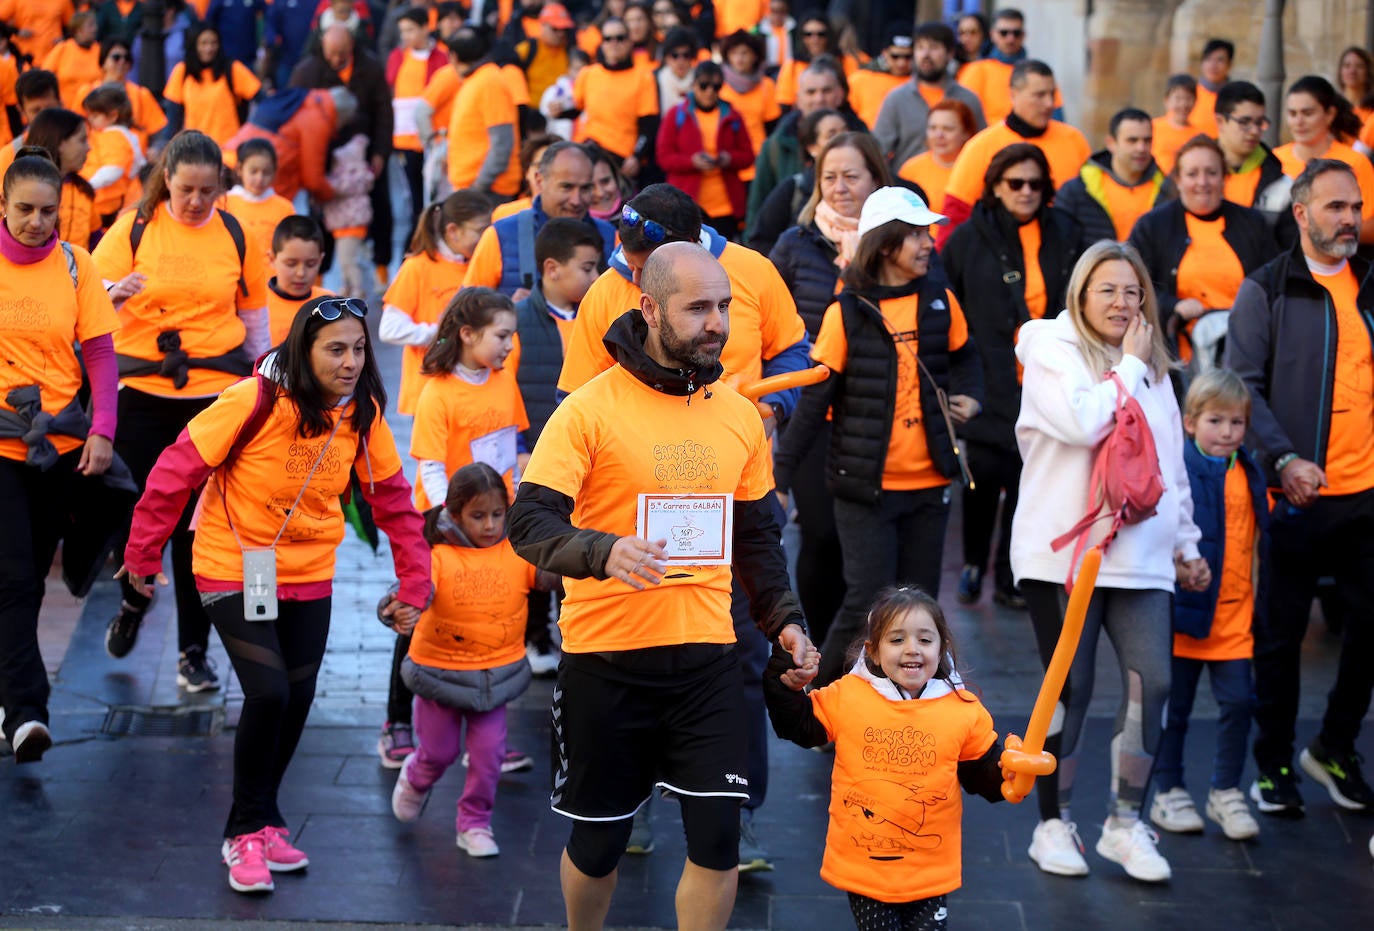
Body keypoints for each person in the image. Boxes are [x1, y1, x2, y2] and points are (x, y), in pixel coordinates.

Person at [507, 241, 814, 931]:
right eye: (698, 307)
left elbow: (758, 533)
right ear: (649, 307)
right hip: (606, 662)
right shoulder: (587, 410)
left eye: (726, 307)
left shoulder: (738, 414)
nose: (717, 324)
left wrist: (783, 617)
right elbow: (528, 521)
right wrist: (602, 550)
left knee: (717, 839)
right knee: (600, 841)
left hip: (710, 658)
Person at [120, 293, 431, 893]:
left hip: (308, 568)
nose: (350, 361)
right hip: (230, 561)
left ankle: (267, 818)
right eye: (335, 349)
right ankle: (242, 831)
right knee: (267, 691)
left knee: (298, 693)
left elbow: (392, 502)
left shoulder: (359, 412)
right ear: (302, 350)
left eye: (359, 349)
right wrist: (140, 554)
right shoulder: (254, 399)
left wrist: (416, 582)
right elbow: (174, 470)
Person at [1012, 240, 1205, 883]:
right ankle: (1051, 823)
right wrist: (1126, 366)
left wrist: (1187, 545)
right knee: (1073, 688)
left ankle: (1125, 823)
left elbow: (1172, 465)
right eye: (1108, 290)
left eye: (1133, 291)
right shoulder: (1048, 345)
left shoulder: (1152, 367)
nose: (1123, 302)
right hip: (1063, 553)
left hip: (1142, 554)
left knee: (1155, 684)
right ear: (1080, 294)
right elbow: (1080, 423)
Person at [775, 186, 984, 688]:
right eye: (915, 234)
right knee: (868, 600)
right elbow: (814, 404)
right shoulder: (845, 313)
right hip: (864, 489)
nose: (928, 243)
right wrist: (779, 477)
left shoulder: (940, 301)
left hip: (930, 486)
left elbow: (968, 358)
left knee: (919, 607)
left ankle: (907, 705)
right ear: (887, 243)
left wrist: (972, 399)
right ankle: (821, 704)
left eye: (927, 233)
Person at [1226, 158, 1374, 818]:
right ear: (1302, 213)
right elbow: (1241, 387)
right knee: (1280, 639)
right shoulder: (1267, 290)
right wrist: (1283, 458)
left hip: (1367, 493)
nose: (1349, 218)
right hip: (1295, 498)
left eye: (1356, 206)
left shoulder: (1370, 282)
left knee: (1369, 630)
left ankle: (1335, 746)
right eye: (1336, 206)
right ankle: (1275, 761)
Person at [96, 130, 270, 686]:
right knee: (141, 511)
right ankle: (133, 603)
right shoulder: (133, 227)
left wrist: (266, 388)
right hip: (144, 393)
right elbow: (86, 300)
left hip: (213, 397)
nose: (196, 201)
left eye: (207, 190)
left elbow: (256, 320)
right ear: (165, 177)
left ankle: (192, 654)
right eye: (186, 189)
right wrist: (114, 293)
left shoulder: (235, 232)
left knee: (199, 529)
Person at [764, 587, 1032, 929]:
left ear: (942, 647)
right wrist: (781, 682)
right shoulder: (849, 696)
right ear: (873, 651)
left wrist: (1008, 773)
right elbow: (799, 726)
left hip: (929, 870)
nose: (912, 649)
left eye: (925, 639)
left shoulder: (963, 710)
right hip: (867, 866)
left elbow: (981, 772)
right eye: (896, 640)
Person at [0, 147, 126, 764]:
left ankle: (9, 696)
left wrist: (103, 430)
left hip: (60, 447)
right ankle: (26, 711)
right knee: (16, 576)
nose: (36, 222)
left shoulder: (77, 266)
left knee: (27, 581)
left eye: (48, 211)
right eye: (24, 209)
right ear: (2, 206)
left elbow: (100, 354)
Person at [389, 461, 558, 855]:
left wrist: (589, 557)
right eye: (478, 516)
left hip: (493, 677)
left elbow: (551, 575)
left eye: (497, 515)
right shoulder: (437, 557)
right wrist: (396, 608)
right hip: (441, 677)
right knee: (439, 752)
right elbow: (408, 591)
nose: (489, 525)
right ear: (454, 513)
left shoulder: (515, 551)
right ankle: (416, 777)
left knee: (489, 757)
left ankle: (474, 822)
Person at [943, 144, 1082, 611]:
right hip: (987, 373)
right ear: (995, 186)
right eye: (1015, 183)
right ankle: (974, 564)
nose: (1025, 192)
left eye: (1035, 184)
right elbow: (948, 303)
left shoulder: (1065, 232)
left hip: (1047, 378)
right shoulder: (968, 239)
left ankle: (1011, 576)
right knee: (983, 478)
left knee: (1030, 482)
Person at [768, 131, 890, 652]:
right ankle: (819, 655)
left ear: (876, 180)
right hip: (813, 411)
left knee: (861, 546)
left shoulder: (897, 248)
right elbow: (765, 323)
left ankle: (864, 658)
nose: (840, 188)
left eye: (852, 176)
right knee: (819, 535)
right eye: (829, 177)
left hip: (874, 415)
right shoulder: (795, 245)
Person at [1149, 369, 1265, 843]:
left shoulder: (1249, 469)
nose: (1227, 433)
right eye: (1216, 421)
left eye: (1236, 423)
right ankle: (1167, 790)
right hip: (1185, 617)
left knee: (1239, 703)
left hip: (1236, 618)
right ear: (1191, 422)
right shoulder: (1180, 469)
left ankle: (1225, 792)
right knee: (1173, 710)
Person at [512, 218, 604, 676]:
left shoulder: (600, 317)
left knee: (574, 540)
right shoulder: (518, 321)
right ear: (552, 268)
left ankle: (571, 629)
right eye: (587, 268)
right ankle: (534, 633)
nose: (595, 277)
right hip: (533, 450)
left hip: (587, 453)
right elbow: (505, 386)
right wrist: (517, 444)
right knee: (534, 548)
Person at [1128, 135, 1276, 373]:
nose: (1202, 182)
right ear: (1177, 179)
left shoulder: (1253, 224)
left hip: (1243, 351)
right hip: (1177, 358)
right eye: (1192, 174)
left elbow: (1273, 283)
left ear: (1224, 177)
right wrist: (1172, 305)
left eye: (1211, 172)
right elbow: (1133, 286)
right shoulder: (1152, 226)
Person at [289, 24, 395, 287]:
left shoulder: (369, 68)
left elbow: (384, 111)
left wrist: (381, 151)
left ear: (352, 47)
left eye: (342, 53)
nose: (337, 59)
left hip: (366, 153)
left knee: (380, 209)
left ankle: (382, 267)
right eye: (332, 54)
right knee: (320, 216)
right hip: (324, 155)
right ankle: (321, 276)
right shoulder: (307, 72)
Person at [939, 59, 1090, 239]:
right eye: (1040, 95)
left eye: (1052, 94)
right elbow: (956, 212)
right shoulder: (981, 146)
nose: (1050, 103)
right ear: (1013, 95)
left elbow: (1091, 206)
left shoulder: (1074, 140)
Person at [410, 287, 528, 511]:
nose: (510, 346)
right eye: (502, 336)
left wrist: (514, 506)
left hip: (495, 515)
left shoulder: (506, 381)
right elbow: (432, 468)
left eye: (512, 336)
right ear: (467, 335)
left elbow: (509, 453)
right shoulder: (437, 393)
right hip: (453, 520)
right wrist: (449, 515)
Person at [380, 189, 492, 416]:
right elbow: (390, 329)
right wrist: (441, 333)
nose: (487, 238)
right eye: (480, 231)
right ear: (453, 231)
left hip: (471, 392)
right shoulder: (418, 267)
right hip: (427, 393)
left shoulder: (481, 263)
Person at [463, 141, 617, 298]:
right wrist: (506, 311)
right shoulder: (499, 236)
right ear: (539, 181)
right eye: (566, 187)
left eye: (585, 188)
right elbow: (465, 309)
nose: (576, 200)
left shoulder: (611, 237)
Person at [746, 55, 866, 230]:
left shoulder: (864, 141)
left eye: (826, 91)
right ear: (798, 98)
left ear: (840, 95)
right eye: (811, 92)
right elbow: (757, 209)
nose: (819, 99)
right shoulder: (776, 145)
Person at [656, 61, 754, 240]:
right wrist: (691, 162)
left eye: (716, 87)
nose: (710, 91)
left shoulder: (733, 116)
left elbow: (748, 155)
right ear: (694, 85)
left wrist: (728, 159)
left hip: (726, 206)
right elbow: (664, 157)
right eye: (704, 85)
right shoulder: (676, 115)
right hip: (687, 204)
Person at [554, 17, 658, 185]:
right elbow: (576, 108)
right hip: (590, 153)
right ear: (602, 43)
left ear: (629, 41)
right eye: (608, 39)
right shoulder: (588, 74)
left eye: (620, 38)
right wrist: (559, 111)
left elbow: (649, 124)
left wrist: (637, 157)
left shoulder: (644, 78)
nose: (614, 43)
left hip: (622, 162)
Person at [1057, 107, 1176, 249]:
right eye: (1132, 140)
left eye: (1147, 140)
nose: (1141, 148)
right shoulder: (1076, 192)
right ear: (1111, 143)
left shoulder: (1169, 191)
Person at [1273, 75, 1374, 243]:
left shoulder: (1355, 162)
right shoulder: (1275, 160)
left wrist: (1324, 230)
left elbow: (1370, 226)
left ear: (1329, 114)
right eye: (1292, 113)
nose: (1299, 122)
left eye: (1307, 113)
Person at [873, 21, 985, 172]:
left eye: (934, 48)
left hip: (956, 187)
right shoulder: (896, 99)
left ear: (950, 53)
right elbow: (878, 152)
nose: (925, 55)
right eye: (920, 48)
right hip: (909, 188)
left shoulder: (968, 99)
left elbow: (981, 149)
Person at [222, 86, 353, 205]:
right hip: (254, 171)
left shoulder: (305, 98)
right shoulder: (319, 120)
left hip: (231, 158)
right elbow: (313, 179)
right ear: (341, 116)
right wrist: (332, 194)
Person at [745, 107, 846, 255]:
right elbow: (760, 240)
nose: (842, 141)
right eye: (832, 135)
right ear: (812, 147)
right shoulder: (794, 188)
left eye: (845, 132)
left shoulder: (869, 182)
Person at [387, 6, 448, 237]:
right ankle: (419, 237)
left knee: (433, 194)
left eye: (411, 30)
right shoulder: (398, 56)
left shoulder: (442, 56)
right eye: (403, 31)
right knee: (413, 196)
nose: (406, 36)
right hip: (404, 139)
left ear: (425, 28)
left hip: (432, 137)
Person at [443, 26, 522, 199]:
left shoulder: (489, 82)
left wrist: (478, 188)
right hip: (475, 189)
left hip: (489, 192)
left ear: (454, 57)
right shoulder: (477, 80)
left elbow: (502, 143)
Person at [1213, 81, 1295, 245]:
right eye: (1244, 122)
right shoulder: (1190, 175)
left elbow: (1290, 253)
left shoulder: (1283, 185)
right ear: (1221, 121)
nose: (1254, 131)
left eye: (1259, 123)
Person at [163, 23, 263, 147]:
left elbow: (262, 99)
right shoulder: (182, 71)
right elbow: (173, 114)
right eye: (203, 43)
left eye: (213, 43)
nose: (209, 48)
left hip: (228, 149)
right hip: (195, 149)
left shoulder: (232, 69)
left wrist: (249, 133)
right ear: (194, 45)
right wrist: (164, 144)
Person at [957, 8, 1060, 125]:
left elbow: (1056, 118)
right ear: (993, 34)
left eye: (1016, 33)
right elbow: (962, 117)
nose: (1010, 39)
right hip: (990, 140)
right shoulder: (975, 70)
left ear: (1023, 35)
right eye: (1004, 33)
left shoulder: (1039, 73)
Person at [24, 107, 97, 250]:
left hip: (77, 271)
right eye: (82, 140)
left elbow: (97, 243)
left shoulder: (84, 191)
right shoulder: (18, 188)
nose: (88, 148)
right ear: (60, 143)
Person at [82, 39, 168, 155]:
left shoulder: (141, 94)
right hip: (93, 163)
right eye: (116, 57)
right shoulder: (86, 92)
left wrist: (155, 150)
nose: (122, 62)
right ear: (103, 62)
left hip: (132, 164)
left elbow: (158, 134)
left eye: (126, 58)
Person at [718, 29, 779, 186]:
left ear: (755, 56)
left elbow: (772, 127)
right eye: (734, 53)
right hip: (727, 164)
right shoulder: (719, 86)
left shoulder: (767, 85)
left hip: (759, 163)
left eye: (744, 53)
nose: (739, 58)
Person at [896, 98, 977, 215]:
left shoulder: (976, 169)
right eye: (933, 128)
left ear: (966, 133)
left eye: (948, 129)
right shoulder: (910, 169)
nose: (939, 135)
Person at [223, 138, 297, 263]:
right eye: (253, 171)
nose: (260, 178)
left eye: (266, 172)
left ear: (275, 172)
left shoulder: (285, 208)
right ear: (240, 169)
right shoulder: (224, 202)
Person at [266, 215, 331, 345]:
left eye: (311, 264)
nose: (301, 273)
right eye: (291, 264)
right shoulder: (256, 306)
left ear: (321, 260)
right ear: (272, 259)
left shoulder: (330, 305)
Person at [846, 24, 913, 131]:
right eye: (895, 56)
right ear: (885, 53)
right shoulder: (860, 79)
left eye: (908, 57)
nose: (901, 63)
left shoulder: (922, 83)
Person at [516, 2, 575, 105]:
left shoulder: (570, 51)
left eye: (564, 29)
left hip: (562, 114)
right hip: (532, 113)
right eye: (555, 29)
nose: (560, 34)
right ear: (543, 26)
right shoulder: (527, 49)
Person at [41, 10, 101, 110]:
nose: (95, 29)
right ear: (78, 30)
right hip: (64, 109)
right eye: (90, 25)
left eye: (95, 25)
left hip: (93, 109)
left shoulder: (101, 51)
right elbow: (44, 77)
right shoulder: (62, 49)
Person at [1151, 74, 1203, 176]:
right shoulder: (1153, 128)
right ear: (1167, 100)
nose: (1183, 104)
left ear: (1195, 101)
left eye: (1188, 98)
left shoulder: (1199, 136)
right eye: (1178, 98)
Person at [1189, 38, 1233, 137]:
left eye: (1220, 60)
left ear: (1229, 65)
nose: (1213, 65)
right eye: (1208, 59)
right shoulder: (1190, 93)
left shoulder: (1235, 98)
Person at [1337, 46, 1374, 121]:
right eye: (1347, 66)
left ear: (1368, 72)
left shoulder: (1372, 111)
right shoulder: (1332, 110)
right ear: (1340, 72)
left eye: (1359, 66)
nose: (1352, 71)